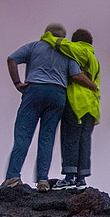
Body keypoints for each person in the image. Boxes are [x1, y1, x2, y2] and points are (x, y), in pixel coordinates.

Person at [0, 23, 97, 192]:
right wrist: (93, 85)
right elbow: (76, 74)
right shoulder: (67, 52)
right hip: (58, 94)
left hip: (34, 90)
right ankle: (43, 181)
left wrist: (17, 83)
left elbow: (11, 59)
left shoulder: (34, 46)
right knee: (47, 137)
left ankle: (13, 177)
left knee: (23, 135)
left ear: (46, 34)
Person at [40, 28, 101, 191]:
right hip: (92, 106)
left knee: (70, 138)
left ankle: (69, 178)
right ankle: (81, 179)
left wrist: (48, 37)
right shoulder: (94, 59)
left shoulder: (79, 51)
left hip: (76, 101)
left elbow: (62, 44)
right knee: (84, 141)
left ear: (77, 41)